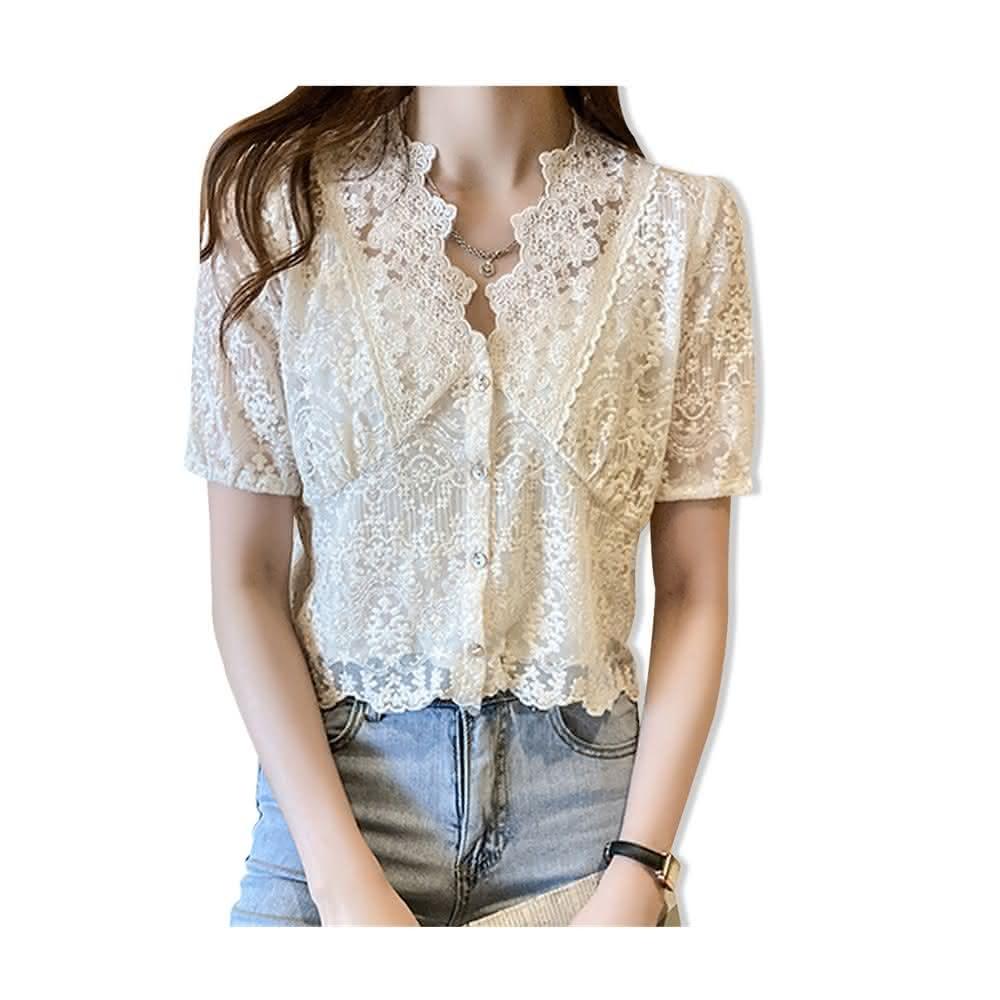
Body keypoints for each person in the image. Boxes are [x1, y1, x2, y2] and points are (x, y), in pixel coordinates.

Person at [182, 85, 756, 926]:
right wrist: (340, 882)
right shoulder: (278, 210)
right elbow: (246, 580)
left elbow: (694, 590)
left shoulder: (683, 228)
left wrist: (640, 873)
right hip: (335, 809)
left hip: (589, 829)